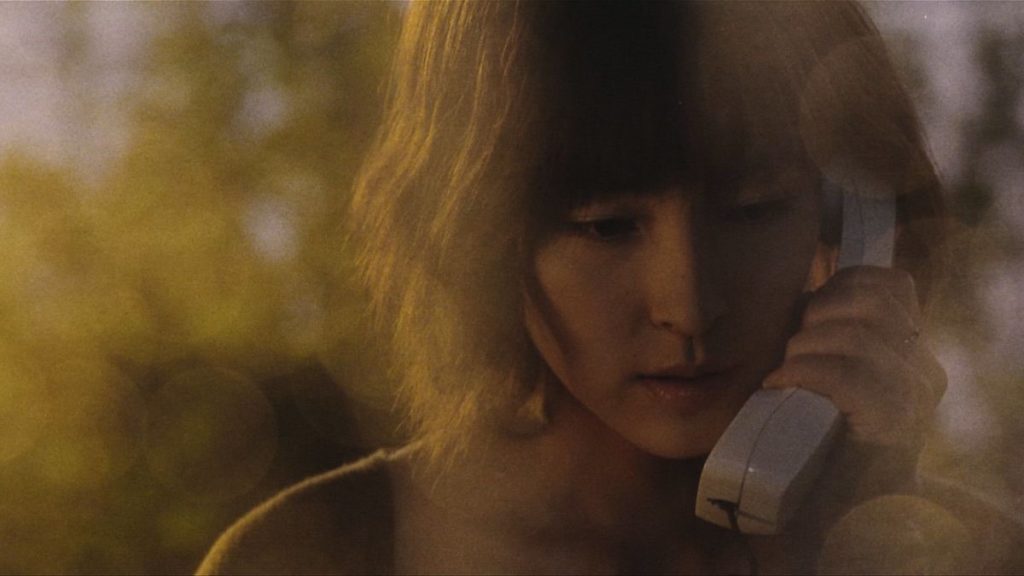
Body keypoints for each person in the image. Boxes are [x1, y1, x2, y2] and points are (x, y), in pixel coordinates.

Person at [198, 2, 1023, 574]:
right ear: (478, 228)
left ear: (848, 214)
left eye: (752, 210)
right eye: (606, 227)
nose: (690, 308)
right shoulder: (318, 554)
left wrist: (871, 536)